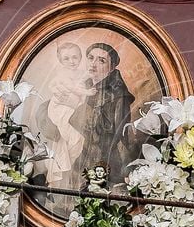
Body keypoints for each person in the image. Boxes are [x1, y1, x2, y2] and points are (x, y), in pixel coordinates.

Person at [72, 42, 135, 184]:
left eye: (101, 60)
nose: (93, 64)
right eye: (90, 57)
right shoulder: (82, 85)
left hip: (104, 157)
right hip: (81, 154)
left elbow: (118, 134)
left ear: (112, 68)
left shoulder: (118, 96)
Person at [42, 41, 96, 183]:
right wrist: (87, 92)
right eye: (66, 58)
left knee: (76, 139)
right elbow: (72, 88)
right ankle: (64, 166)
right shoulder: (64, 74)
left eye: (75, 57)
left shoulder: (80, 73)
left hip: (71, 109)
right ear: (60, 61)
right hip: (59, 110)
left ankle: (68, 165)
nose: (71, 61)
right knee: (73, 138)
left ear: (80, 57)